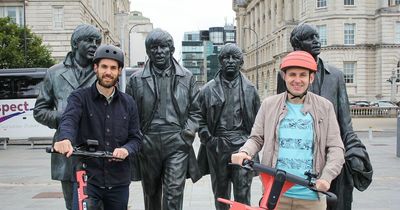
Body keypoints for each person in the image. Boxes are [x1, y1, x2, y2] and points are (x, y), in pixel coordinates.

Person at [276, 23, 373, 210]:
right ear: (297, 44)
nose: (317, 41)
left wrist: (353, 151)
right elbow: (284, 121)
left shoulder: (335, 75)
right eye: (310, 38)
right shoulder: (287, 76)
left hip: (332, 157)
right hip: (302, 160)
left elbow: (345, 122)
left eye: (317, 37)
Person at [232, 51, 345, 210]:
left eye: (302, 75)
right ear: (284, 76)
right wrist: (245, 152)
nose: (297, 80)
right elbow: (256, 138)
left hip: (311, 196)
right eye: (292, 74)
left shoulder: (324, 107)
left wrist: (326, 178)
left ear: (310, 78)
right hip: (275, 194)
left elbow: (336, 147)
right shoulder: (269, 105)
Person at [52, 44, 142, 210]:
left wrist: (126, 149)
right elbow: (69, 120)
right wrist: (65, 139)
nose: (108, 72)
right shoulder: (79, 98)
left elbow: (136, 138)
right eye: (104, 67)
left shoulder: (128, 103)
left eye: (113, 68)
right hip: (87, 178)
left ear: (120, 71)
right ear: (96, 68)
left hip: (118, 182)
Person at [126, 28, 201, 210]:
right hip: (148, 142)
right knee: (151, 194)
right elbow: (128, 114)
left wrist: (187, 135)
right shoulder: (136, 81)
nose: (159, 51)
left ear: (171, 50)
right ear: (148, 51)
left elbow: (196, 111)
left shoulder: (187, 77)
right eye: (154, 47)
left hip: (177, 141)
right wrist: (139, 139)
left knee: (174, 193)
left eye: (163, 47)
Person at [33, 24, 101, 210]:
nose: (94, 45)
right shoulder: (55, 73)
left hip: (98, 149)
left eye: (97, 42)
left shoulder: (103, 72)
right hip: (66, 151)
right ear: (75, 43)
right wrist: (65, 117)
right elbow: (39, 111)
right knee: (73, 204)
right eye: (89, 40)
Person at [197, 43, 260, 210]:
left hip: (243, 145)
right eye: (226, 57)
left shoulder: (250, 89)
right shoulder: (208, 89)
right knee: (221, 193)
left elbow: (259, 121)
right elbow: (198, 117)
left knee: (243, 193)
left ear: (241, 62)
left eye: (235, 58)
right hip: (218, 145)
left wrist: (251, 144)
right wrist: (209, 140)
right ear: (220, 61)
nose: (231, 61)